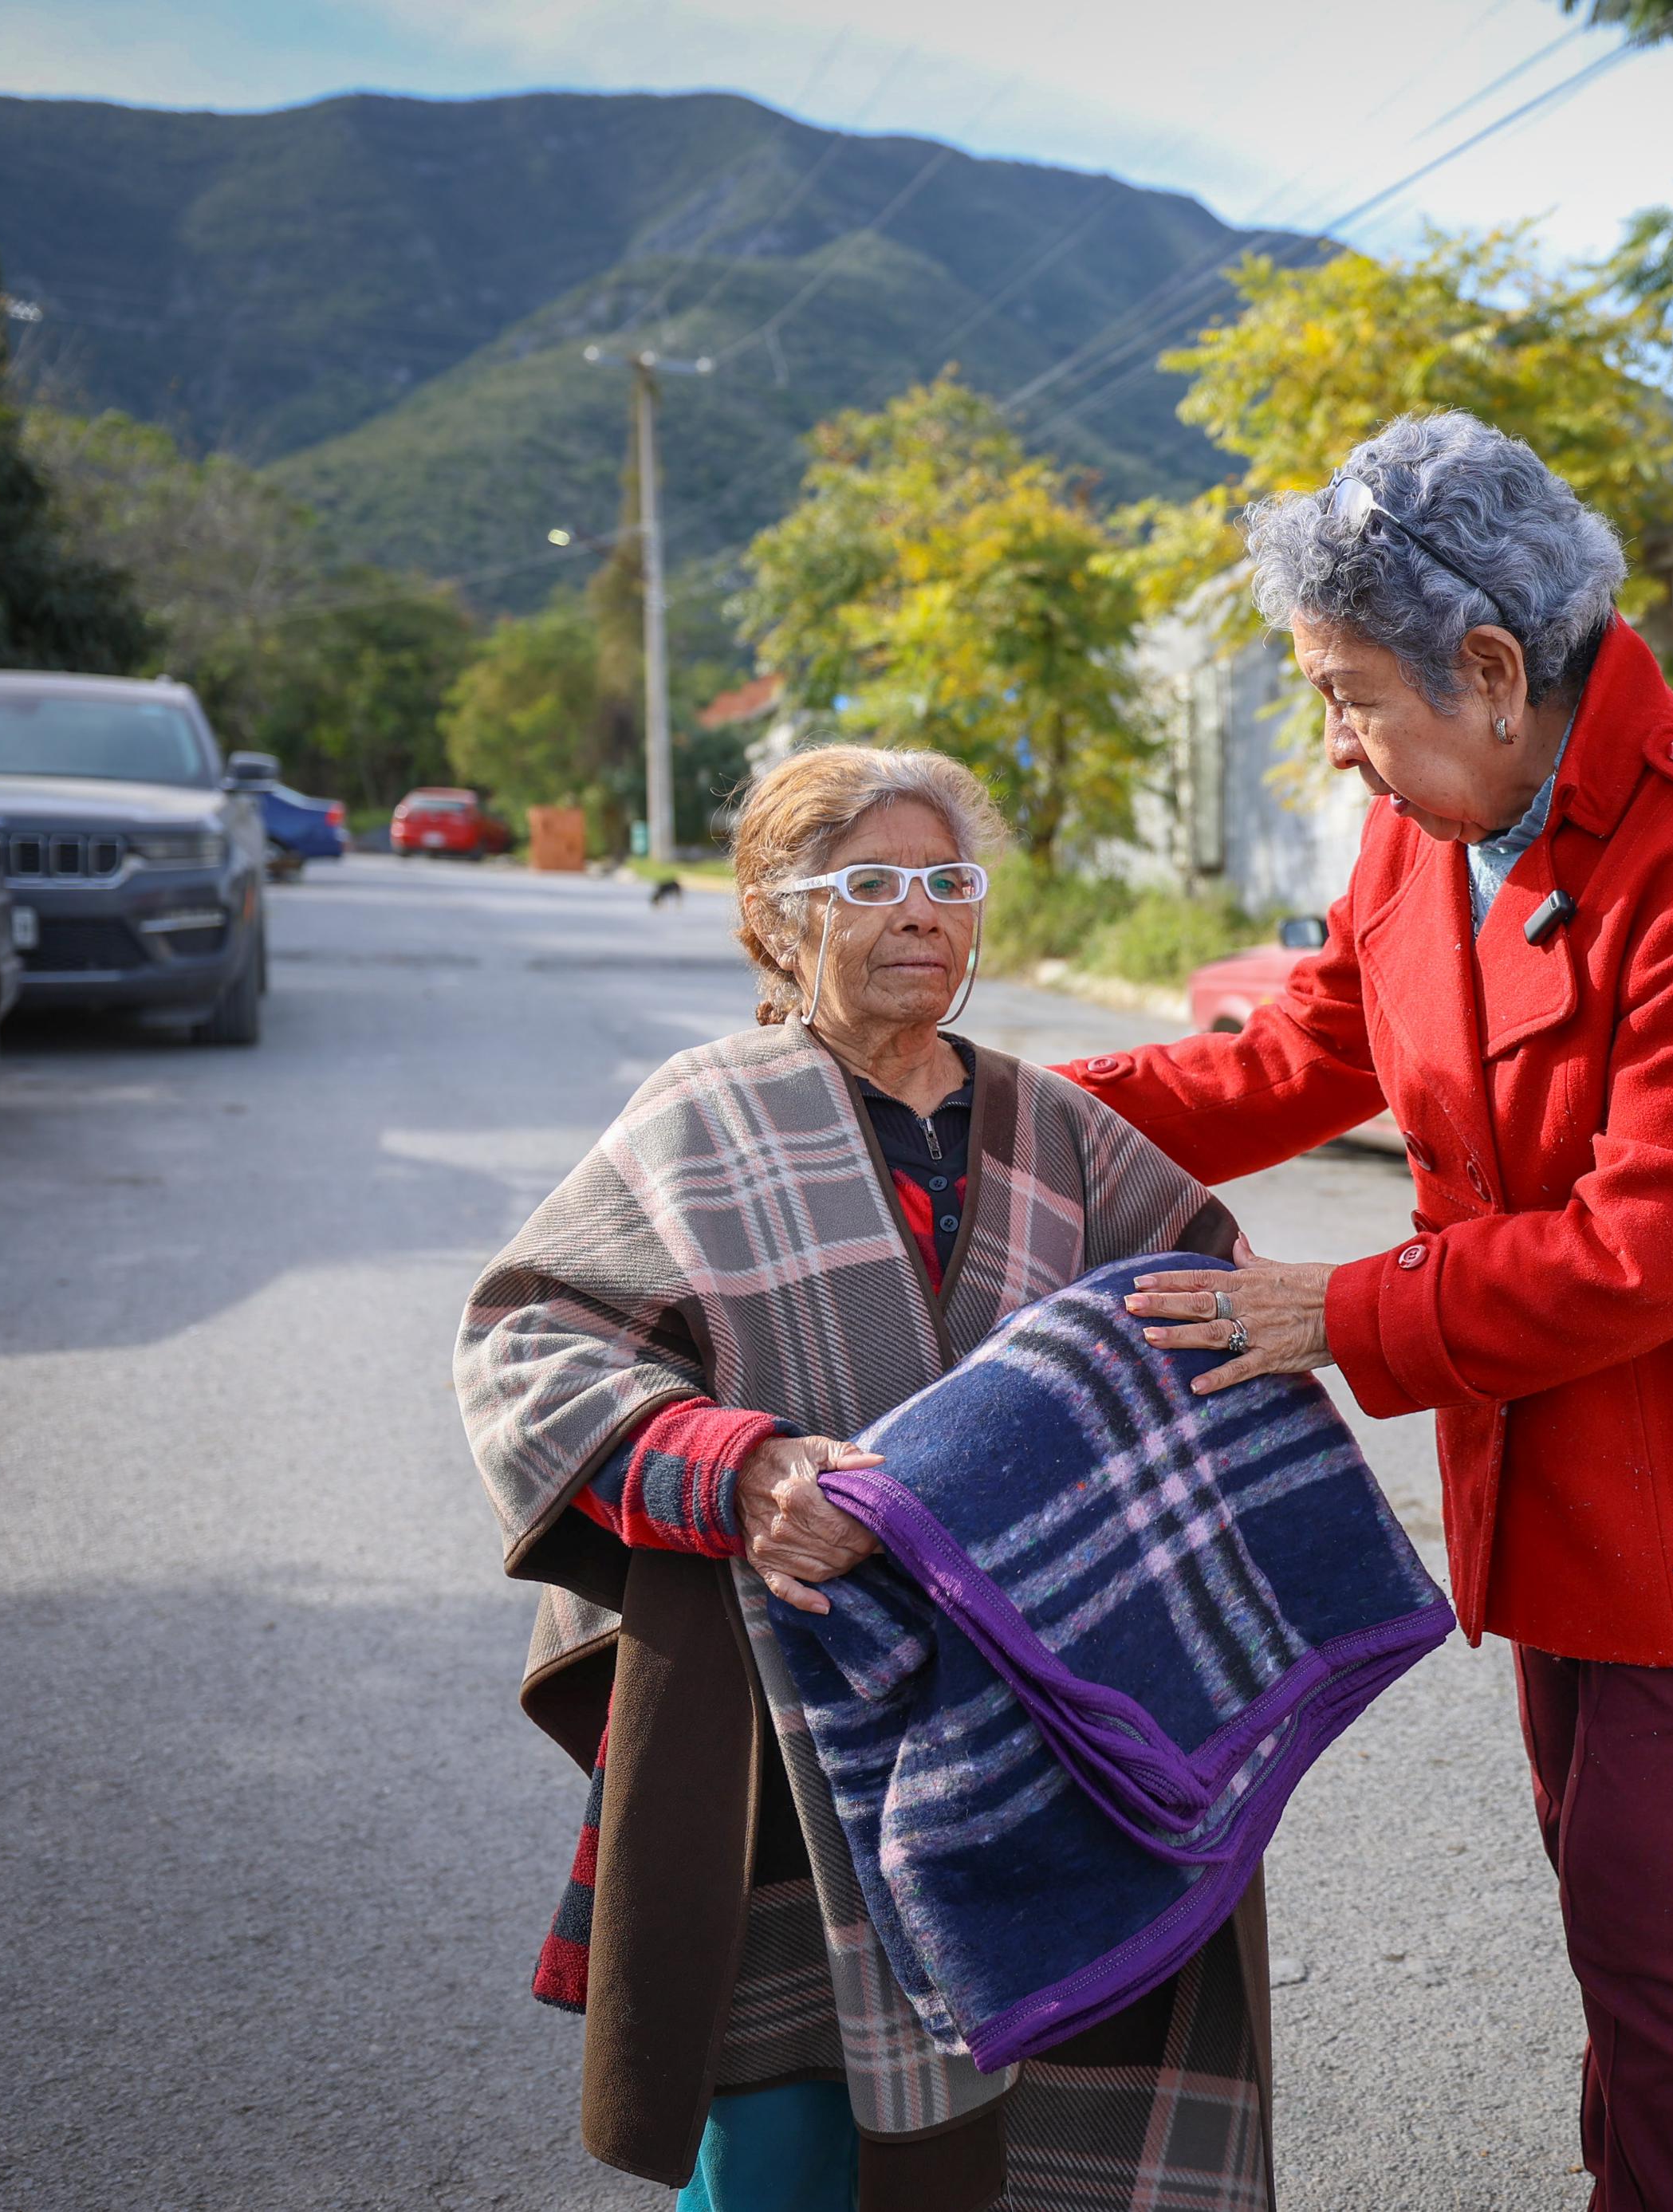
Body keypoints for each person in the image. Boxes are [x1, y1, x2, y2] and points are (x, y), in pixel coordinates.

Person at [1071, 411, 1673, 2212]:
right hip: (1548, 1450)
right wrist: (995, 1100)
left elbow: (1656, 1242)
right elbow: (1296, 1056)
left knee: (1648, 1893)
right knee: (1599, 1868)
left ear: (1485, 668)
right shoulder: (1420, 820)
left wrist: (1335, 1312)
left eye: (1349, 693)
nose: (1335, 739)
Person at [455, 746, 1278, 2212]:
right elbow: (530, 1344)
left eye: (950, 881)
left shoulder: (1061, 1130)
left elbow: (1207, 1314)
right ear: (780, 919)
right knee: (786, 2138)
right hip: (783, 1715)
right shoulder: (696, 1115)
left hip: (1038, 1718)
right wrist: (739, 1466)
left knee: (1057, 2124)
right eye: (874, 883)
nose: (923, 913)